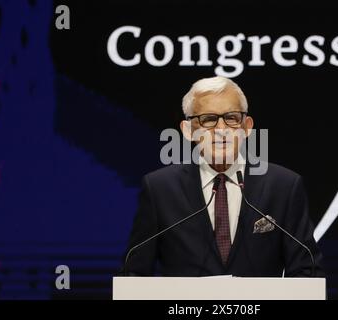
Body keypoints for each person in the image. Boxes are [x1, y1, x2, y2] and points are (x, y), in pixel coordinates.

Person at [124, 76, 323, 277]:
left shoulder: (283, 186)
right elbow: (134, 275)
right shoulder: (160, 189)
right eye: (208, 119)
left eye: (232, 118)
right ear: (188, 130)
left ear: (247, 127)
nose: (221, 130)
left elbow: (307, 271)